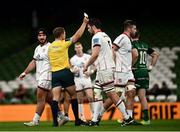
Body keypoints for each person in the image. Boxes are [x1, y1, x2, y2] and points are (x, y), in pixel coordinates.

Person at [84, 18, 134, 126]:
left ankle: (127, 117)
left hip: (104, 69)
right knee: (97, 92)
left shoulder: (96, 37)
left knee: (112, 94)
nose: (88, 29)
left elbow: (96, 53)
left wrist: (86, 65)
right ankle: (94, 120)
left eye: (88, 27)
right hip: (105, 67)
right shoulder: (106, 35)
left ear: (93, 26)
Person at [48, 16, 89, 126]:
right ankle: (77, 120)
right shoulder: (64, 43)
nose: (65, 35)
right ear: (61, 35)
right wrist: (84, 23)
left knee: (55, 98)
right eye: (64, 33)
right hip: (65, 73)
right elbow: (78, 35)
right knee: (74, 95)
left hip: (54, 74)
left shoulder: (50, 47)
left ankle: (55, 123)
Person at [19, 28, 54, 126]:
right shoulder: (37, 48)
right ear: (37, 37)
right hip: (40, 76)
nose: (41, 37)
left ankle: (35, 120)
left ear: (46, 36)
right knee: (49, 99)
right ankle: (61, 115)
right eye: (39, 35)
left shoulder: (50, 47)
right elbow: (34, 62)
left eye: (43, 35)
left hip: (47, 75)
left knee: (40, 97)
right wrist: (25, 72)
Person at [132, 31, 159, 125]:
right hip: (144, 72)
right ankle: (146, 119)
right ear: (139, 36)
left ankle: (128, 118)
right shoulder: (145, 45)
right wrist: (151, 67)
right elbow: (156, 55)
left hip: (135, 71)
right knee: (142, 96)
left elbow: (135, 55)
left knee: (130, 95)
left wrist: (130, 66)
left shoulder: (131, 44)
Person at [70, 42, 95, 121]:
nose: (78, 49)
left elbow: (95, 66)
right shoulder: (73, 59)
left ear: (82, 47)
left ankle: (93, 116)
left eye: (79, 47)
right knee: (80, 99)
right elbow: (71, 68)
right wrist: (73, 71)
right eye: (76, 47)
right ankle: (82, 117)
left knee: (90, 97)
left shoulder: (88, 57)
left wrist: (91, 72)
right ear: (74, 49)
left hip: (86, 78)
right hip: (77, 80)